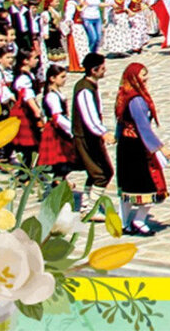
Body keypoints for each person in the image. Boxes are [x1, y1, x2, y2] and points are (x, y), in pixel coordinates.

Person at [113, 63, 170, 235]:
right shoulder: (136, 100)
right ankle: (139, 220)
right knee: (149, 184)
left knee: (128, 187)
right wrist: (160, 148)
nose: (146, 78)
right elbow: (143, 128)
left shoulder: (123, 95)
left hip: (126, 146)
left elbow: (120, 121)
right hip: (137, 147)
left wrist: (117, 137)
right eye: (142, 75)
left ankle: (123, 222)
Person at [72, 53, 114, 220]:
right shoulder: (84, 90)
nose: (105, 70)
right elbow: (89, 117)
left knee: (96, 172)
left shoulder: (89, 86)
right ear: (94, 70)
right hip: (86, 138)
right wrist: (103, 132)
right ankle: (90, 209)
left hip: (90, 137)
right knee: (102, 173)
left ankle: (86, 205)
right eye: (102, 68)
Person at [37, 65, 77, 184]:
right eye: (62, 77)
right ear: (52, 78)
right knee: (62, 157)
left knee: (65, 157)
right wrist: (70, 129)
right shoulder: (51, 96)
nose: (65, 79)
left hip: (58, 128)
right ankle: (58, 182)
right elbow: (57, 116)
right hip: (56, 130)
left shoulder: (55, 93)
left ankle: (61, 181)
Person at [9, 48, 43, 169]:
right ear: (25, 61)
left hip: (26, 112)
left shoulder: (28, 75)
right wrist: (37, 112)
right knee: (31, 145)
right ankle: (26, 174)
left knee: (33, 146)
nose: (37, 60)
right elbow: (28, 97)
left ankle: (30, 171)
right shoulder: (23, 79)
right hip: (25, 113)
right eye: (34, 58)